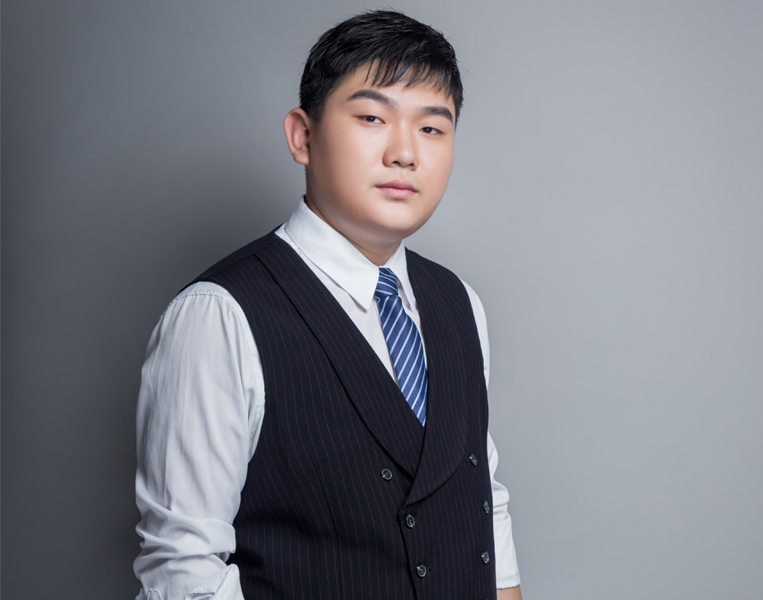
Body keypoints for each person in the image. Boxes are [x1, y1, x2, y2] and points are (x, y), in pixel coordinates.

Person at [134, 10, 521, 600]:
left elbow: (481, 499)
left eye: (431, 128)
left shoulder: (459, 302)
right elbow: (184, 569)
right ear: (302, 136)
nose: (404, 153)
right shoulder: (219, 315)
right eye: (372, 118)